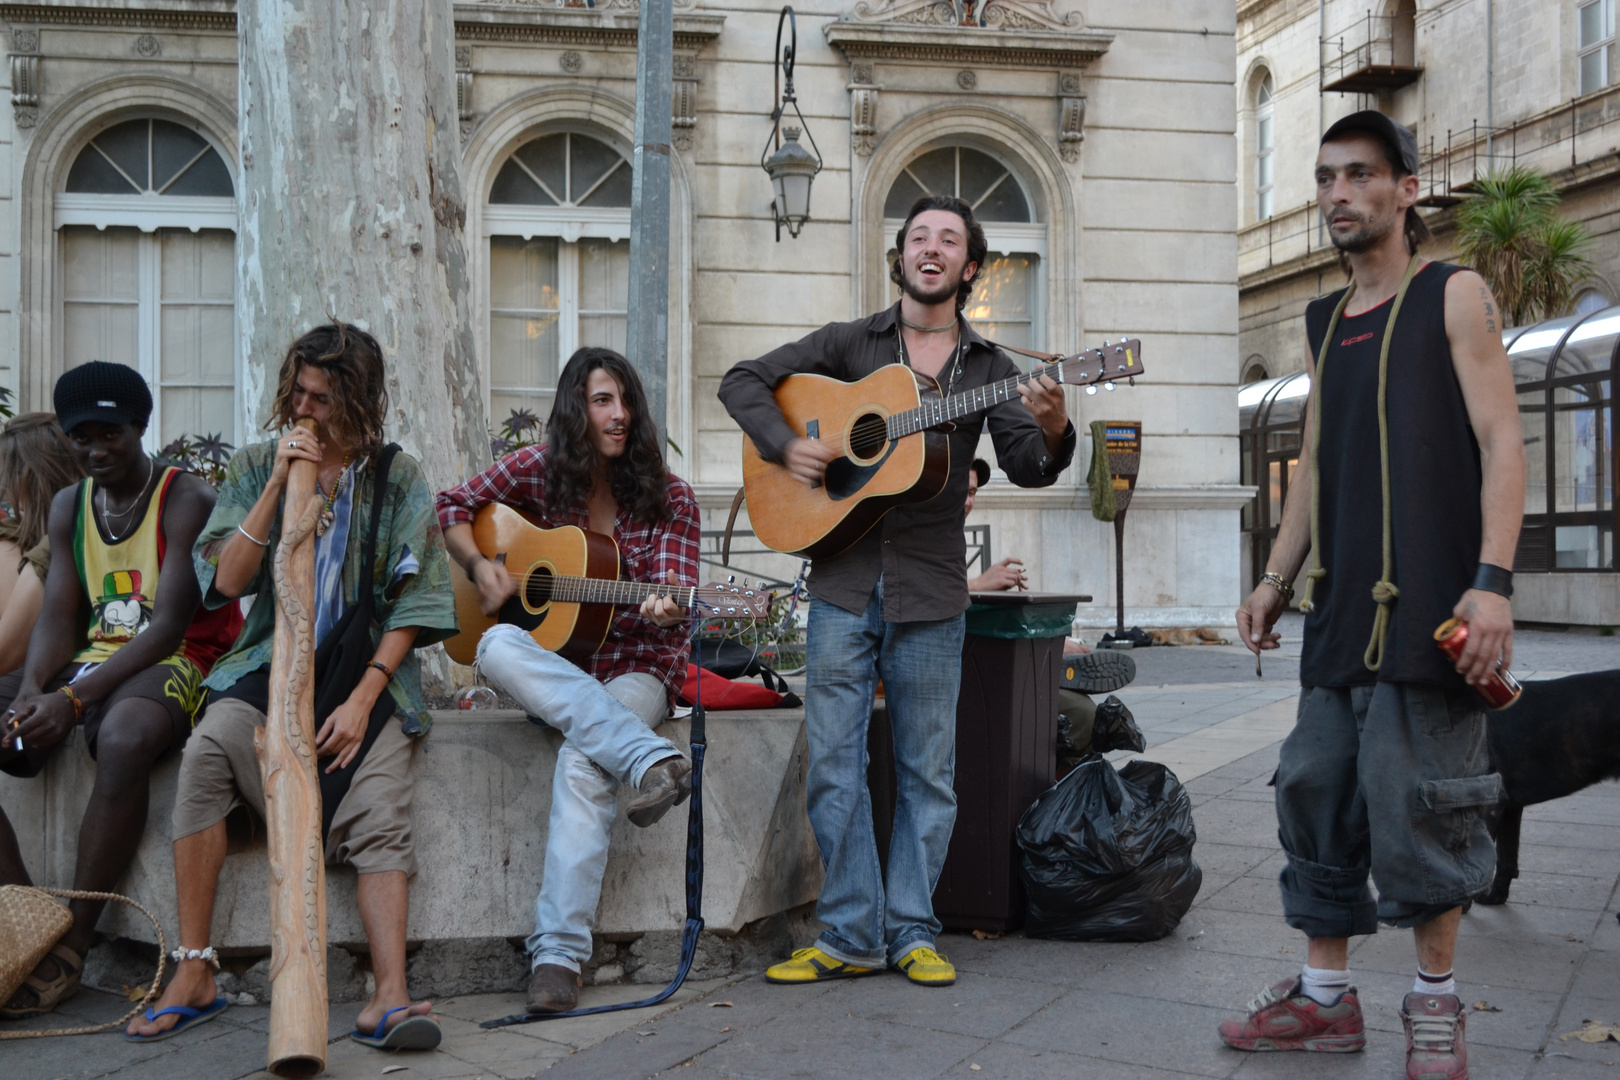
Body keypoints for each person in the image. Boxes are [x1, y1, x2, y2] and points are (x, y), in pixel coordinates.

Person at [1222, 112, 1526, 1080]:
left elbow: (1503, 443)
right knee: (1316, 791)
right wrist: (1274, 577)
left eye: (1359, 175)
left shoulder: (1455, 294)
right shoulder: (1323, 320)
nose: (1338, 195)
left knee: (1424, 802)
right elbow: (1313, 459)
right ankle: (1325, 1001)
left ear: (1405, 187)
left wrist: (1493, 586)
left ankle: (1436, 1011)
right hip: (1341, 612)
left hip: (1436, 611)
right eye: (1324, 179)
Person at [720, 193, 1076, 989]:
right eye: (919, 236)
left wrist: (1053, 426)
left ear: (969, 267)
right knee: (835, 767)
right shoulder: (852, 344)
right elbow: (743, 381)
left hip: (932, 590)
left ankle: (912, 929)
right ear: (902, 257)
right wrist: (788, 447)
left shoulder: (989, 370)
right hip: (844, 585)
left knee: (927, 772)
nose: (932, 248)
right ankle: (848, 935)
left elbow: (1025, 459)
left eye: (950, 239)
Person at [127, 324, 457, 1050]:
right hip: (269, 665)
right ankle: (194, 969)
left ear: (359, 401)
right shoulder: (254, 466)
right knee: (207, 752)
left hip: (368, 678)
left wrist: (364, 697)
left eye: (323, 397)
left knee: (382, 810)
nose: (305, 408)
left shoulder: (394, 476)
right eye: (298, 391)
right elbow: (229, 582)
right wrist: (280, 481)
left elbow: (420, 601)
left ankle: (388, 995)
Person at [436, 346, 700, 1015]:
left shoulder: (672, 499)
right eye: (601, 400)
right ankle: (651, 760)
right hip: (561, 672)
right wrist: (480, 566)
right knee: (493, 640)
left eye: (624, 401)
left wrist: (668, 612)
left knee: (584, 765)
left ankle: (556, 958)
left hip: (637, 670)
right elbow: (453, 505)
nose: (618, 415)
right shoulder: (542, 474)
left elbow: (675, 625)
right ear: (574, 410)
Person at [0, 363, 237, 1019]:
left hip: (182, 657)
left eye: (111, 435)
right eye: (82, 438)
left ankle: (73, 945)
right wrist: (37, 689)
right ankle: (24, 921)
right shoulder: (70, 504)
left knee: (126, 735)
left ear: (140, 427)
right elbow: (56, 614)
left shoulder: (187, 497)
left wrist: (71, 702)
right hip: (95, 658)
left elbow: (167, 629)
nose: (96, 450)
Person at [0, 413, 83, 673]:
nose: (5, 486)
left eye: (7, 473)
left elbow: (4, 655)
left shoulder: (17, 548)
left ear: (29, 478)